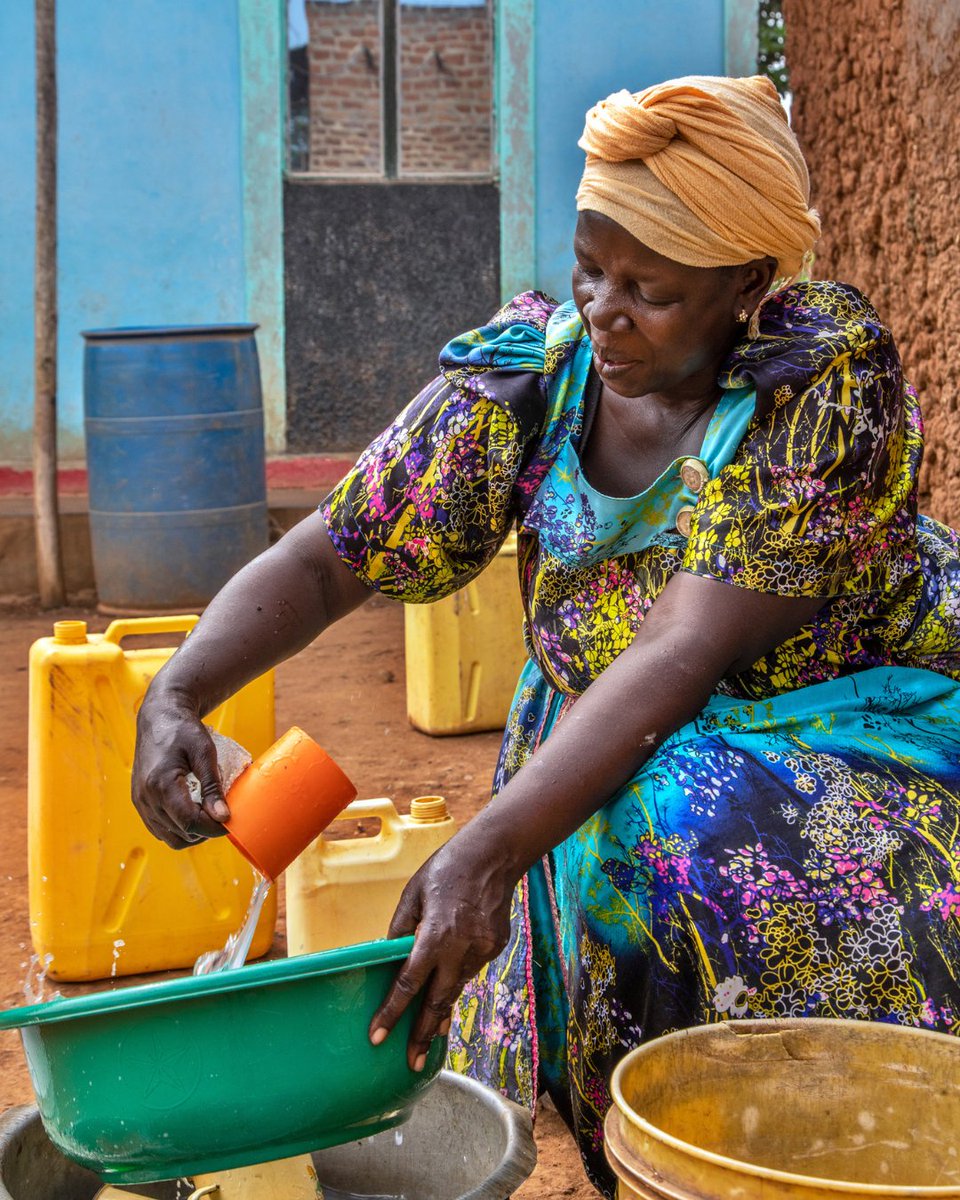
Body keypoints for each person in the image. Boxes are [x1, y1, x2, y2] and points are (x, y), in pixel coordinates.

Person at [133, 75, 960, 1196]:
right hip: (616, 740)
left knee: (676, 831)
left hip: (846, 739)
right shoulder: (535, 379)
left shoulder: (818, 388)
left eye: (649, 290)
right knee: (623, 834)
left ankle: (774, 1147)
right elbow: (333, 554)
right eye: (591, 267)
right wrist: (178, 692)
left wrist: (490, 844)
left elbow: (681, 650)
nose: (604, 309)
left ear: (747, 287)